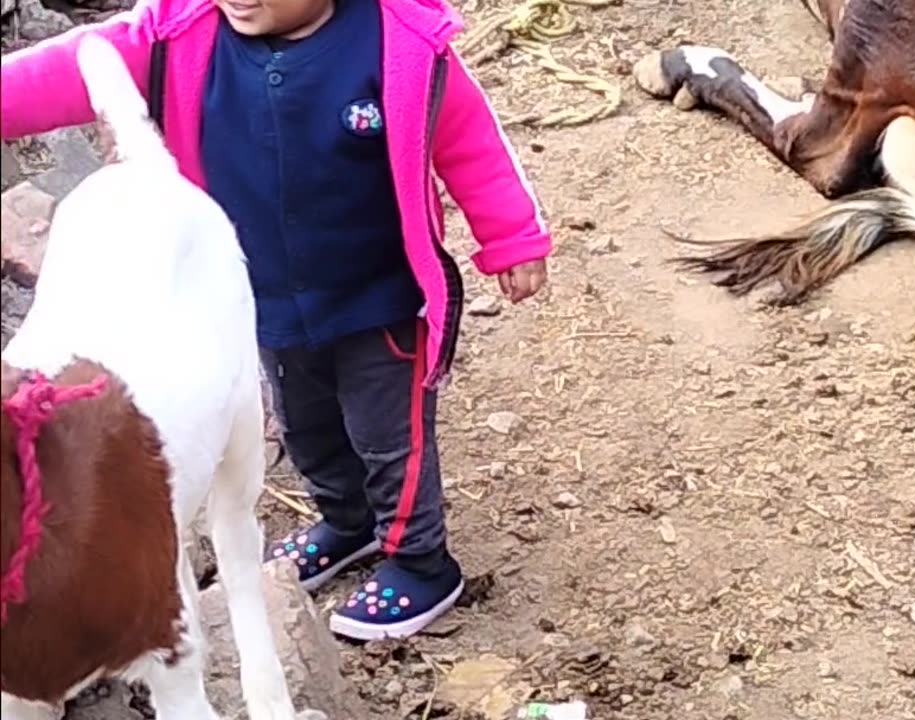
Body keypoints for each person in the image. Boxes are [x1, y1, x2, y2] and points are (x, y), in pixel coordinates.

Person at [0, 0, 551, 641]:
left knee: (389, 439)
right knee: (305, 425)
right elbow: (71, 70)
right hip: (260, 300)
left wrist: (513, 239)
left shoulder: (403, 46)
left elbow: (470, 143)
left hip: (379, 301)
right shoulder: (179, 37)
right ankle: (347, 523)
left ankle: (422, 562)